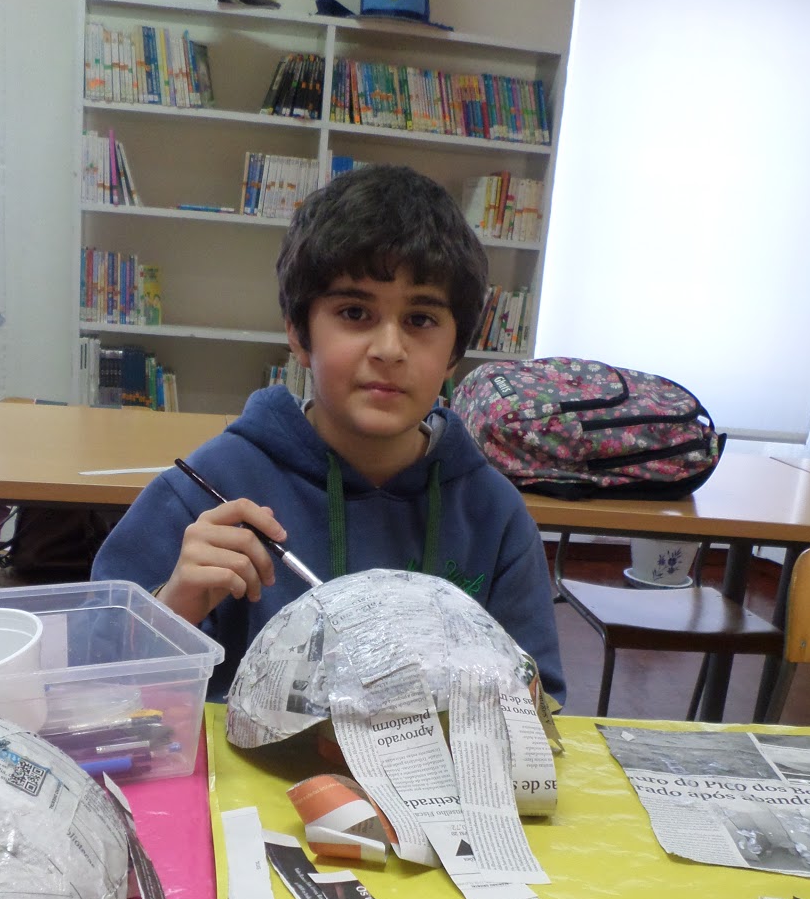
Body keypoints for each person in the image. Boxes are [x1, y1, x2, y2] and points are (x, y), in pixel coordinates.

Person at [92, 165, 565, 702]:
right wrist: (174, 605)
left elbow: (544, 701)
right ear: (299, 335)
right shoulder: (208, 494)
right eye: (355, 312)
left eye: (421, 320)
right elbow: (99, 677)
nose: (389, 349)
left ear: (455, 352)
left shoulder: (493, 517)